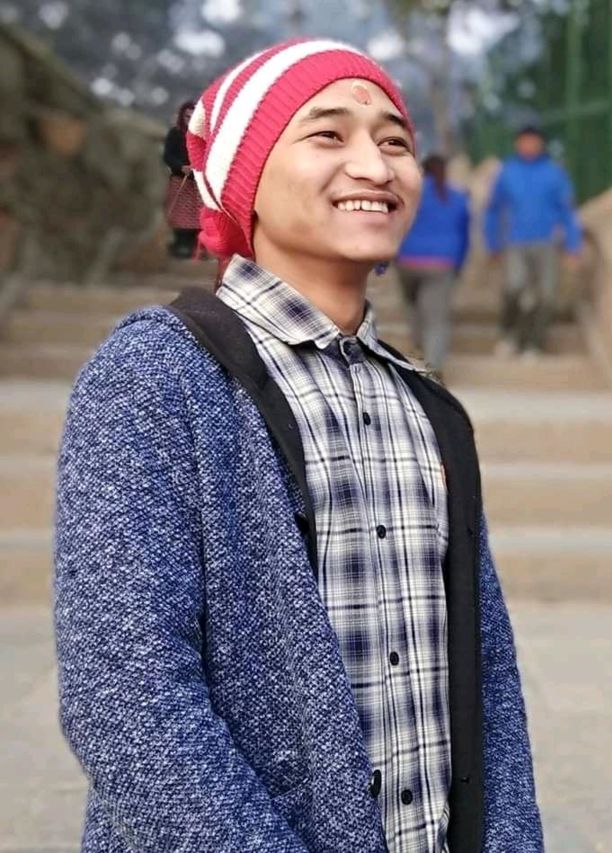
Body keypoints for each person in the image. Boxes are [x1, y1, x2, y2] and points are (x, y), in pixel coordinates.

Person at [55, 39, 543, 853]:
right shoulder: (156, 377)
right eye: (328, 134)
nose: (375, 166)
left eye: (395, 141)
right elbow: (125, 696)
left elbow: (488, 678)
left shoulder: (429, 407)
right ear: (244, 174)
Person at [484, 125, 582, 357]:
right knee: (514, 287)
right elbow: (493, 210)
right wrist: (492, 242)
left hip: (547, 242)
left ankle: (534, 343)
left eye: (533, 141)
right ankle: (509, 334)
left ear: (541, 144)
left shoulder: (554, 173)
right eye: (524, 141)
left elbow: (568, 211)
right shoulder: (507, 172)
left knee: (546, 295)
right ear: (517, 144)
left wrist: (573, 245)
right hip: (515, 242)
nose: (529, 145)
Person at [396, 154, 470, 372]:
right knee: (437, 320)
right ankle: (433, 367)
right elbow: (464, 236)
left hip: (407, 260)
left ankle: (418, 346)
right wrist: (458, 264)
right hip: (441, 263)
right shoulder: (457, 198)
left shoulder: (408, 195)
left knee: (412, 306)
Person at [162, 100, 202, 258]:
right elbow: (168, 155)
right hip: (180, 180)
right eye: (187, 117)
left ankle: (192, 249)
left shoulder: (202, 135)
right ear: (182, 117)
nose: (189, 120)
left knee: (198, 218)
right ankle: (178, 247)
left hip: (198, 183)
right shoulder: (175, 133)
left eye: (193, 117)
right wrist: (180, 166)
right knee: (178, 216)